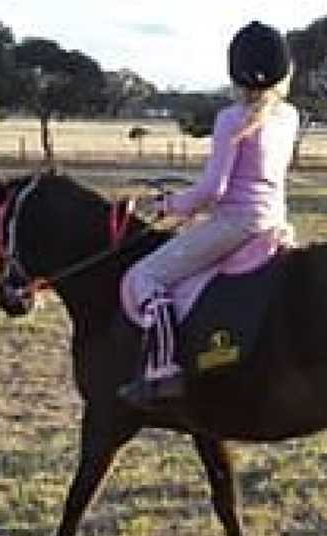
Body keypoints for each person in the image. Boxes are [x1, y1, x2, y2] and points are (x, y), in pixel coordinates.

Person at [119, 20, 300, 408]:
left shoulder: (231, 118)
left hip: (234, 224)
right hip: (273, 223)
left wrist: (170, 206)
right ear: (285, 71)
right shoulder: (290, 116)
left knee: (146, 276)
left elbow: (213, 190)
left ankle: (164, 369)